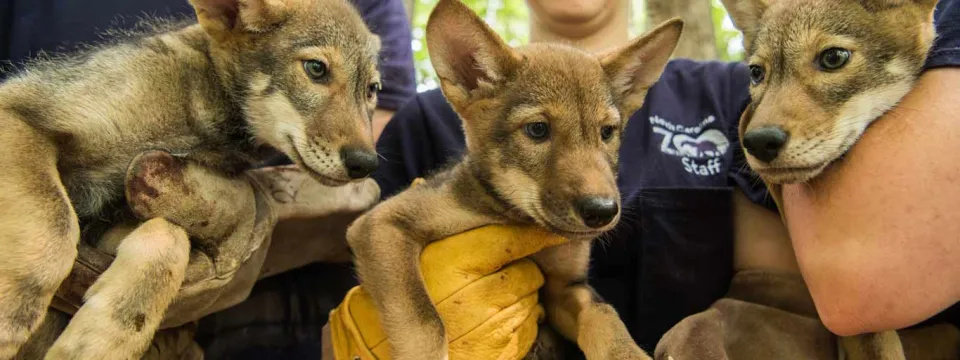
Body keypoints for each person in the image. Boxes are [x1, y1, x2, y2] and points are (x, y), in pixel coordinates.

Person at [327, 0, 960, 358]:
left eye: (605, 132)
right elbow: (359, 285)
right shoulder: (430, 122)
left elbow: (801, 295)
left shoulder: (741, 99)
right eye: (539, 132)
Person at [0, 0, 417, 358]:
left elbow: (378, 167)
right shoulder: (156, 84)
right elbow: (11, 120)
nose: (360, 145)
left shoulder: (361, 16)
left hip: (257, 332)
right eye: (317, 69)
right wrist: (36, 254)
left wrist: (258, 220)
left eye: (369, 89)